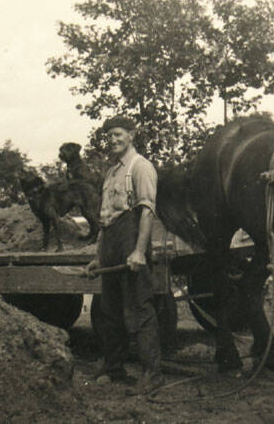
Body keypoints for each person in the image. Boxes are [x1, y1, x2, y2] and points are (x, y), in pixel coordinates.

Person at [85, 115, 164, 395]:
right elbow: (105, 219)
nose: (114, 140)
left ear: (131, 135)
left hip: (131, 240)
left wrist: (139, 251)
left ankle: (151, 374)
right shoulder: (111, 172)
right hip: (111, 241)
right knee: (109, 309)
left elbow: (147, 211)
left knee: (140, 308)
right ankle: (113, 367)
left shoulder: (140, 167)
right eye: (110, 136)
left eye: (119, 134)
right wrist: (98, 255)